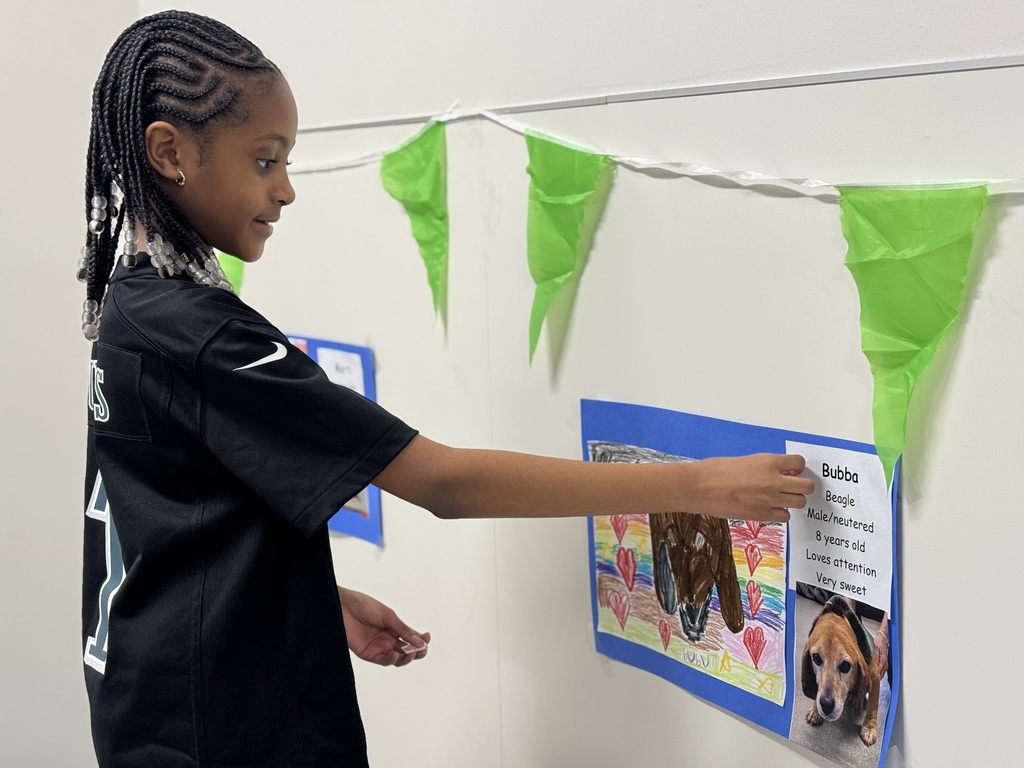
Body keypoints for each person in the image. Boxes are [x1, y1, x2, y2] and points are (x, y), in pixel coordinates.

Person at [78, 10, 813, 767]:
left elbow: (171, 519)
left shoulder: (136, 307)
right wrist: (698, 487)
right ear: (169, 151)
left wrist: (305, 605)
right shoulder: (202, 335)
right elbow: (441, 481)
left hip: (156, 706)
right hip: (216, 736)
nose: (288, 190)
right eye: (266, 161)